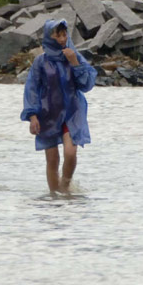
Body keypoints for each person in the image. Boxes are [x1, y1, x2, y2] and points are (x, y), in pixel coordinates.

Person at [21, 19, 97, 194]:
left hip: (72, 112)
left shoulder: (74, 56)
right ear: (50, 37)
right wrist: (32, 115)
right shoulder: (40, 62)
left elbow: (86, 84)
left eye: (64, 35)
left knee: (70, 152)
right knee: (52, 159)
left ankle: (65, 187)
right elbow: (31, 89)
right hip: (48, 113)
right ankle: (54, 197)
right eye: (58, 36)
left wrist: (75, 63)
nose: (62, 39)